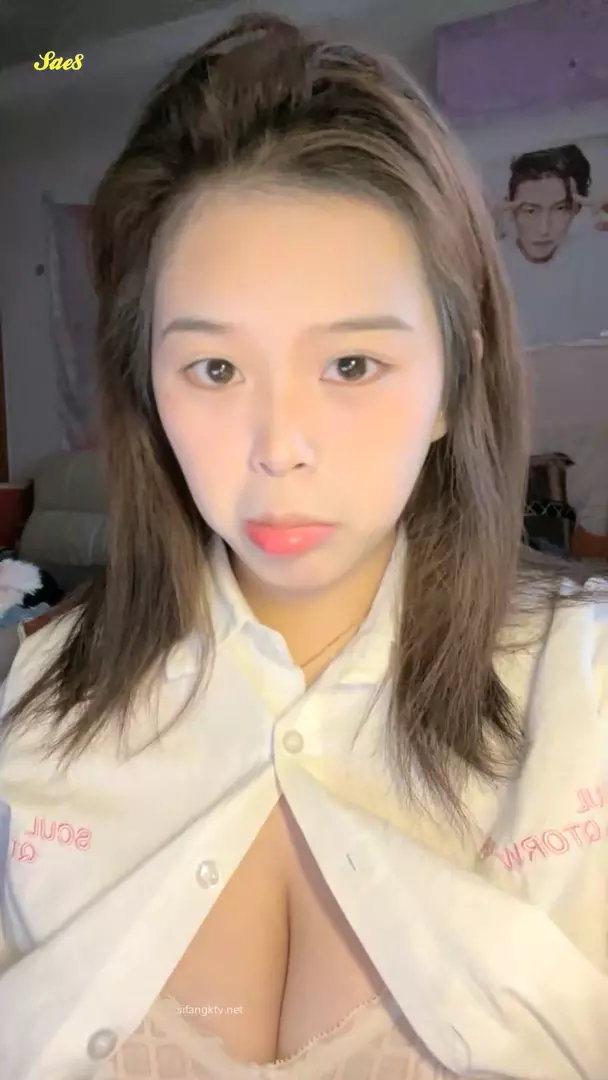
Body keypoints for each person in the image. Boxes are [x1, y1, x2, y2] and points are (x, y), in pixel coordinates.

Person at [0, 13, 607, 1080]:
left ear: (451, 381)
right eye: (216, 370)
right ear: (149, 390)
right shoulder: (35, 702)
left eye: (351, 366)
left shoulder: (586, 695)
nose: (278, 447)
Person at [494, 144, 608, 346]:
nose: (544, 229)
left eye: (559, 209)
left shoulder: (597, 254)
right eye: (531, 210)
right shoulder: (490, 261)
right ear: (509, 207)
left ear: (577, 207)